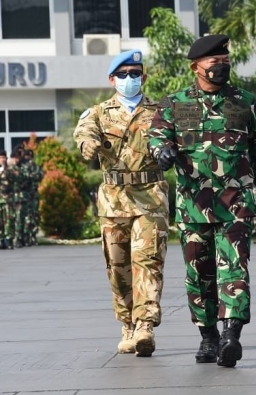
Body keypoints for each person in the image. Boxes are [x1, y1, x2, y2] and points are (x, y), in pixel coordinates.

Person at [147, 34, 256, 368]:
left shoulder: (244, 102)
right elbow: (156, 137)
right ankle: (208, 337)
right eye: (214, 61)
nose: (222, 66)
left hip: (237, 202)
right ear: (196, 67)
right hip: (193, 205)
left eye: (225, 61)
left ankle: (232, 335)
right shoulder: (174, 103)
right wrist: (163, 151)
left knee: (235, 267)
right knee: (199, 274)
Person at [73, 49, 169, 357]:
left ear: (144, 77)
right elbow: (84, 133)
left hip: (150, 197)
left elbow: (176, 139)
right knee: (117, 266)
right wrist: (88, 144)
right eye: (123, 75)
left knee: (148, 261)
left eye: (135, 74)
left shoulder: (161, 111)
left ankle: (145, 326)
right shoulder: (98, 113)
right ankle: (127, 323)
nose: (130, 79)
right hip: (114, 201)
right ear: (112, 80)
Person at [21, 149, 43, 246]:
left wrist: (32, 176)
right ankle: (25, 237)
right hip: (25, 195)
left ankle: (32, 237)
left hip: (33, 194)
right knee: (25, 216)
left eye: (30, 156)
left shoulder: (35, 167)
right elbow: (24, 178)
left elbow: (40, 176)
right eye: (27, 156)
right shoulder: (22, 167)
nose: (28, 158)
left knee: (34, 216)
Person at [0, 150, 8, 250]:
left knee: (6, 221)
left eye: (4, 158)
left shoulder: (9, 170)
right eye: (1, 158)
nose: (2, 159)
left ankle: (6, 240)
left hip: (6, 199)